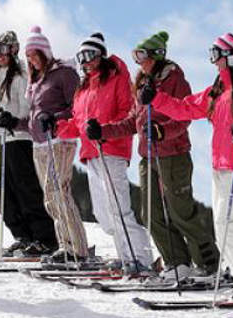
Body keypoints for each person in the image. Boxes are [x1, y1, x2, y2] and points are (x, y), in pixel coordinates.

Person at [141, 28, 233, 300]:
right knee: (222, 227)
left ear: (231, 56)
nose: (213, 60)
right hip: (220, 166)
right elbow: (187, 107)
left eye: (216, 55)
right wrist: (157, 100)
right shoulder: (219, 89)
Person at [96, 31, 218, 280]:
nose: (138, 61)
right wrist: (104, 131)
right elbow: (134, 122)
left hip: (173, 154)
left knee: (180, 211)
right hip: (148, 156)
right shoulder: (142, 83)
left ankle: (209, 265)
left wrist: (163, 131)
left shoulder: (174, 79)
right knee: (151, 214)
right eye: (135, 56)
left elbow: (184, 117)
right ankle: (177, 263)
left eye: (141, 55)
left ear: (157, 55)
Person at [57, 32, 153, 273]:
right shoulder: (83, 88)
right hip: (91, 153)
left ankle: (141, 258)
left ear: (101, 55)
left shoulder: (117, 77)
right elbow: (79, 124)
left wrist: (104, 130)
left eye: (89, 55)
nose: (85, 61)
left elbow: (127, 112)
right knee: (102, 213)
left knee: (119, 208)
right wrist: (57, 126)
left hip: (112, 149)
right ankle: (125, 256)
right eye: (81, 57)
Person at [0, 26, 88, 261]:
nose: (31, 60)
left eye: (35, 54)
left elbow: (76, 108)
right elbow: (33, 120)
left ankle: (76, 249)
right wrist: (14, 122)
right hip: (40, 144)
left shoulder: (63, 74)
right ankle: (64, 245)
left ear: (45, 52)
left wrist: (55, 118)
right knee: (49, 197)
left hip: (60, 140)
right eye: (28, 56)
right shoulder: (38, 81)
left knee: (59, 192)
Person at [0, 30, 57, 257]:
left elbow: (29, 107)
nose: (0, 55)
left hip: (19, 139)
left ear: (14, 50)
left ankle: (45, 238)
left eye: (4, 50)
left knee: (26, 189)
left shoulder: (22, 75)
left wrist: (14, 120)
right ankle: (23, 237)